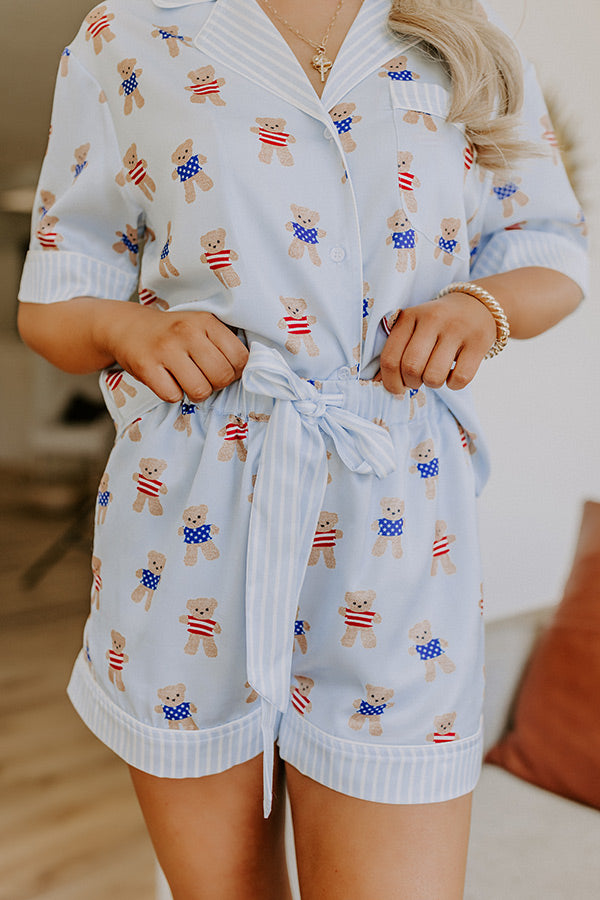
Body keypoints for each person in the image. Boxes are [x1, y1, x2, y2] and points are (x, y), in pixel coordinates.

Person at [18, 0, 587, 897]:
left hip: (397, 534)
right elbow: (54, 296)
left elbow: (551, 245)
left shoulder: (464, 29)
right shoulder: (126, 34)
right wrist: (129, 329)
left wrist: (481, 307)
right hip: (190, 528)